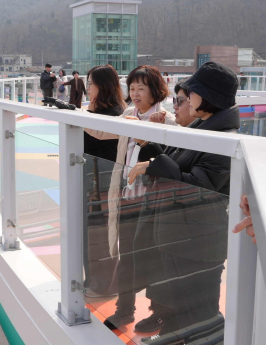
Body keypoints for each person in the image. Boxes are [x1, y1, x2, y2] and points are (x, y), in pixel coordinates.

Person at [127, 62, 240, 342]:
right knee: (181, 304)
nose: (188, 97)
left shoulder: (222, 140)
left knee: (200, 313)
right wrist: (148, 147)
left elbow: (197, 186)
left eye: (192, 92)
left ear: (208, 96)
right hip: (183, 235)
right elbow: (178, 165)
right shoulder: (202, 129)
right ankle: (172, 335)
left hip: (198, 242)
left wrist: (153, 163)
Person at [89, 65, 175, 332]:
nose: (135, 94)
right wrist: (77, 114)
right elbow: (102, 132)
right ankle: (124, 310)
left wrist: (152, 131)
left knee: (155, 258)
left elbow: (172, 159)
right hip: (128, 197)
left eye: (141, 88)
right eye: (132, 88)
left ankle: (159, 312)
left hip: (152, 202)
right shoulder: (128, 114)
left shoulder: (167, 120)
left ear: (155, 90)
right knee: (127, 259)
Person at [82, 64, 127, 296]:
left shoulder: (114, 116)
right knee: (94, 233)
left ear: (104, 86)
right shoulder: (100, 112)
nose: (88, 88)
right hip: (95, 181)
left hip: (102, 183)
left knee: (100, 234)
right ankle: (94, 281)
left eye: (91, 84)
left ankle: (103, 285)